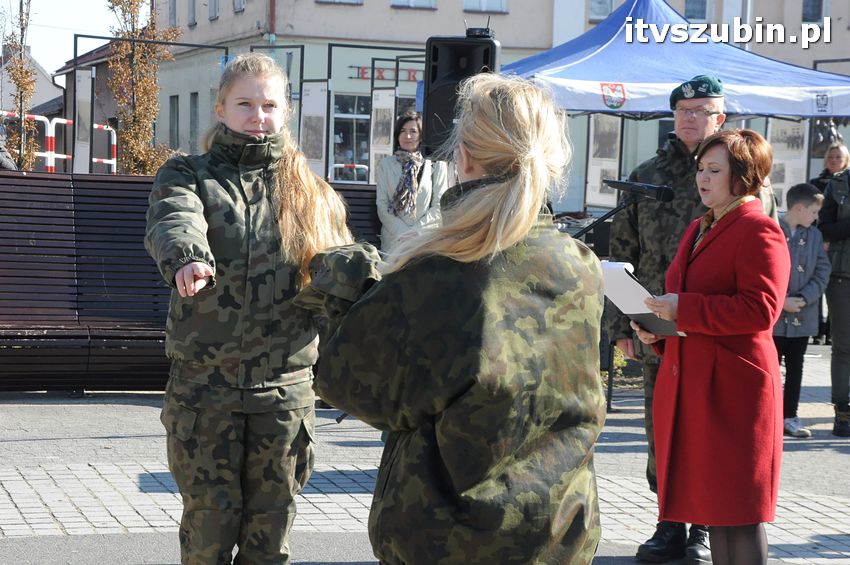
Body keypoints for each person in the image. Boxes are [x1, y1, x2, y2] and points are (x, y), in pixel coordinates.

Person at [298, 74, 606, 564]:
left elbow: (352, 384)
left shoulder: (442, 274)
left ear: (463, 157)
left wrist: (343, 296)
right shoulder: (579, 265)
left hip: (448, 541)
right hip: (558, 534)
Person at [145, 53, 352, 564]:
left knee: (270, 532)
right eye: (245, 103)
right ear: (220, 108)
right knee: (208, 528)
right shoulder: (189, 174)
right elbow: (176, 217)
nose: (257, 115)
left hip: (283, 393)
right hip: (205, 391)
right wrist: (188, 258)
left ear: (285, 112)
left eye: (268, 105)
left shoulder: (311, 191)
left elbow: (337, 265)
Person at [607, 74, 771, 563]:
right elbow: (622, 250)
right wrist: (624, 326)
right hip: (661, 331)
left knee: (709, 438)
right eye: (682, 110)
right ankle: (669, 520)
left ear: (720, 118)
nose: (689, 118)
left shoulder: (751, 200)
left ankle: (702, 526)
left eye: (701, 110)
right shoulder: (647, 173)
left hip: (717, 338)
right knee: (664, 430)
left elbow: (760, 291)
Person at [634, 129, 790, 565]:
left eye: (715, 170)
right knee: (718, 510)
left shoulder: (760, 230)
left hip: (734, 392)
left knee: (738, 513)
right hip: (699, 384)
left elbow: (761, 310)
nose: (702, 177)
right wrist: (659, 333)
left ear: (745, 176)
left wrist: (682, 309)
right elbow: (692, 313)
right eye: (701, 168)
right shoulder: (698, 227)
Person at [773, 183, 831, 438]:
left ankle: (790, 416)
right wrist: (780, 300)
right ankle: (769, 416)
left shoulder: (815, 236)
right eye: (814, 212)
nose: (816, 218)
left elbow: (822, 271)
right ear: (799, 208)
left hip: (802, 315)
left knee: (796, 368)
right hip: (774, 316)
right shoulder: (772, 230)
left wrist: (805, 298)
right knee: (771, 369)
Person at [375, 111, 448, 253]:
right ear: (397, 135)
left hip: (424, 241)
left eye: (413, 131)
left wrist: (415, 233)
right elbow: (382, 205)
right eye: (403, 131)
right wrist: (403, 233)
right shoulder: (385, 165)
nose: (407, 136)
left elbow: (439, 205)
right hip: (393, 241)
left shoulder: (435, 164)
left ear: (421, 136)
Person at [818, 153, 850, 437]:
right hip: (843, 276)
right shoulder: (838, 185)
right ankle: (843, 411)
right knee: (843, 346)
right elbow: (824, 227)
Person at [809, 142, 848, 344]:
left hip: (837, 248)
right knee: (817, 285)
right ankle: (816, 330)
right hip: (817, 241)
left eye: (838, 157)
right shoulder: (817, 182)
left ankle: (830, 332)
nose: (834, 161)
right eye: (831, 157)